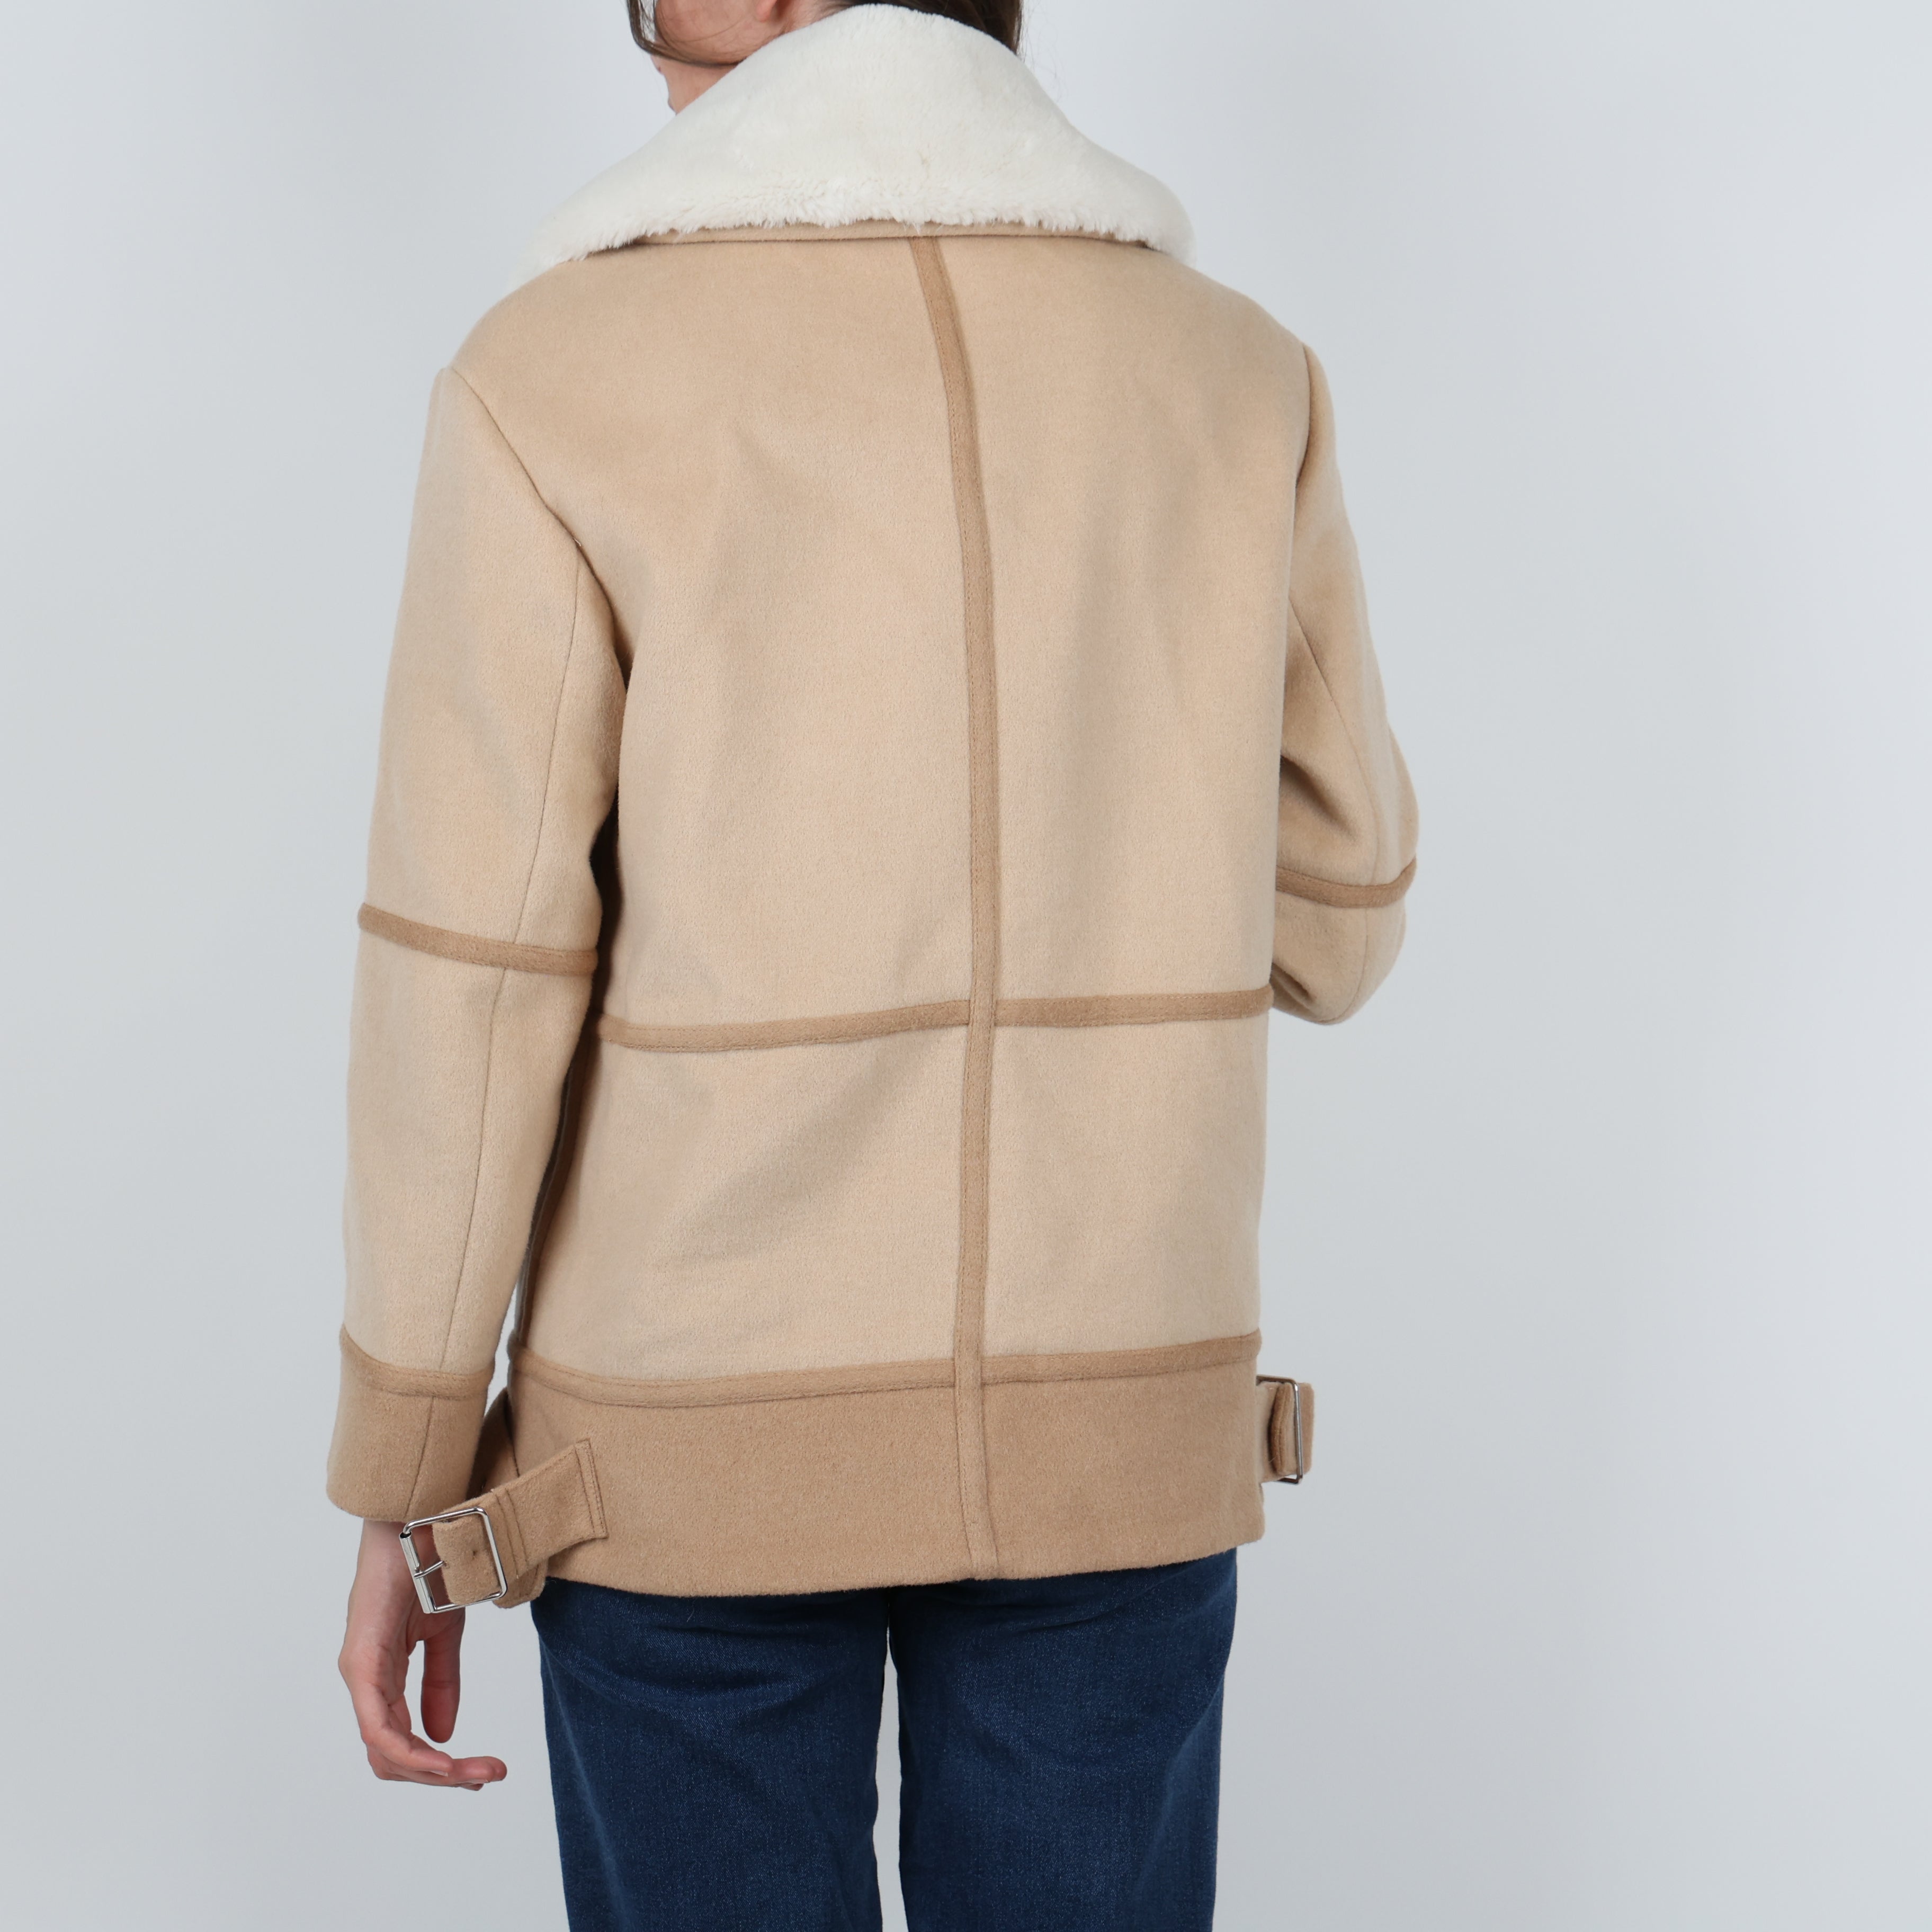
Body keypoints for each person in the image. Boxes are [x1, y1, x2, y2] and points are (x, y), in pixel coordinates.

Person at [329, 2, 1417, 1925]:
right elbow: (1340, 919)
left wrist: (408, 1466)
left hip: (684, 1442)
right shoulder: (1236, 372)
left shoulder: (554, 377)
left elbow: (476, 987)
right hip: (1117, 1411)